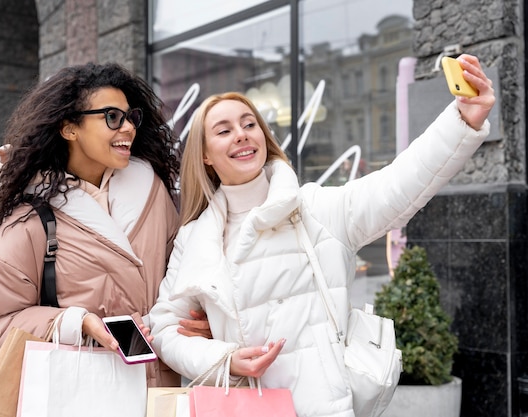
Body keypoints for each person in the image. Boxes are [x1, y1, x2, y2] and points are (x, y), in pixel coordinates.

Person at [149, 54, 495, 415]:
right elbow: (164, 328)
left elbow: (397, 185)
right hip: (241, 406)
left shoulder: (315, 209)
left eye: (249, 124)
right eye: (224, 130)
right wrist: (225, 358)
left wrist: (461, 121)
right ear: (205, 156)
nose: (241, 135)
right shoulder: (195, 238)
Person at [0, 62, 209, 388]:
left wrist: (198, 318)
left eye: (131, 117)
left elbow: (181, 275)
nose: (128, 128)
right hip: (83, 390)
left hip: (159, 384)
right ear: (70, 128)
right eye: (112, 117)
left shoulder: (152, 192)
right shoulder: (30, 215)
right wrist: (76, 323)